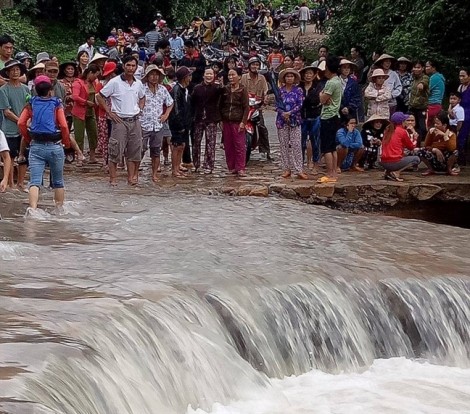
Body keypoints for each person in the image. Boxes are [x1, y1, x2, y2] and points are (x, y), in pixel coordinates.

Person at [17, 76, 71, 210]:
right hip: (55, 146)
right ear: (50, 90)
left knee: (34, 181)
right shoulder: (56, 103)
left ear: (35, 89)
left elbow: (21, 123)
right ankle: (59, 211)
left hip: (36, 146)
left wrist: (28, 138)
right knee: (58, 182)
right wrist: (66, 142)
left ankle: (33, 210)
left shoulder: (31, 103)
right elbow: (64, 126)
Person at [96, 55, 146, 186]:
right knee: (115, 150)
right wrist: (109, 111)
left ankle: (131, 178)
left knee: (134, 151)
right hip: (119, 120)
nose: (130, 68)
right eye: (128, 65)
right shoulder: (115, 82)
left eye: (133, 66)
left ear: (136, 67)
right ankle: (113, 179)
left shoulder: (138, 83)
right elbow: (99, 96)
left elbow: (142, 97)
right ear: (123, 66)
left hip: (134, 120)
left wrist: (140, 108)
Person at [141, 64, 174, 182]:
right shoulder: (141, 89)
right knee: (140, 149)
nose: (154, 77)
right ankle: (134, 173)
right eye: (152, 74)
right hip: (143, 124)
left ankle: (154, 174)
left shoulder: (163, 89)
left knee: (156, 151)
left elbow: (170, 103)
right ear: (147, 76)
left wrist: (166, 115)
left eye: (156, 75)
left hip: (158, 124)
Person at [0, 60, 30, 190]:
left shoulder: (26, 88)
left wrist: (26, 122)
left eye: (17, 69)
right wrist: (20, 121)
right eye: (12, 70)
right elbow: (6, 111)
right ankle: (11, 183)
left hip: (24, 127)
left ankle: (21, 183)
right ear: (7, 73)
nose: (15, 72)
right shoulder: (3, 90)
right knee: (10, 157)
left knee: (23, 156)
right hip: (10, 129)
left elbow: (29, 107)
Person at [276, 68, 307, 179]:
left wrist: (290, 112)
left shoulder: (298, 90)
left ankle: (299, 169)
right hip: (282, 121)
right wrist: (283, 113)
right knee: (283, 145)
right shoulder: (280, 91)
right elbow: (277, 105)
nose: (289, 78)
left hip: (295, 120)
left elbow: (300, 104)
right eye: (287, 76)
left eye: (291, 76)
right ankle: (286, 169)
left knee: (296, 145)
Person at [191, 68, 222, 173]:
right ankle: (196, 164)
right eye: (207, 74)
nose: (209, 76)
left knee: (211, 143)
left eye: (211, 74)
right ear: (203, 75)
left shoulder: (217, 88)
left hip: (212, 119)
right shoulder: (197, 88)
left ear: (214, 76)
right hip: (198, 118)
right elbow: (192, 102)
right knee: (196, 143)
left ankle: (209, 165)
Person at [317, 55, 342, 184]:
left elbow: (322, 99)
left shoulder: (331, 82)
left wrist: (321, 94)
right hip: (335, 115)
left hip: (328, 116)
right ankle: (334, 172)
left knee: (327, 147)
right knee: (332, 146)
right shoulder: (339, 80)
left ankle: (330, 173)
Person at [220, 67, 249, 176]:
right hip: (226, 120)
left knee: (240, 145)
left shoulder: (242, 89)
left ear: (239, 77)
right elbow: (221, 105)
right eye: (229, 75)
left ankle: (240, 167)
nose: (231, 77)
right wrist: (221, 120)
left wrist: (243, 122)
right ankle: (231, 167)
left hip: (237, 120)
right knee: (228, 145)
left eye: (233, 75)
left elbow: (246, 107)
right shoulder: (225, 89)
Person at [240, 56, 271, 160]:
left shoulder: (262, 78)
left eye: (257, 64)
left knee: (262, 127)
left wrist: (266, 98)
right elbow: (239, 88)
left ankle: (265, 151)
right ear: (249, 66)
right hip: (244, 107)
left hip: (257, 107)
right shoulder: (244, 77)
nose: (255, 67)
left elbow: (266, 91)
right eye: (253, 64)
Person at [72, 64, 100, 164]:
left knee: (93, 134)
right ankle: (79, 156)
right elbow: (75, 96)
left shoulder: (94, 83)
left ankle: (92, 155)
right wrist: (85, 102)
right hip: (79, 112)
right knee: (79, 135)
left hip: (91, 112)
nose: (96, 77)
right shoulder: (78, 83)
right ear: (90, 73)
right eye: (95, 75)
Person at [379, 112, 420, 181]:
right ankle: (396, 172)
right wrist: (415, 138)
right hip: (394, 162)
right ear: (402, 122)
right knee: (416, 159)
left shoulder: (387, 130)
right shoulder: (402, 131)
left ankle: (388, 172)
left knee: (400, 154)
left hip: (383, 162)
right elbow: (411, 147)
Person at [168, 66, 192, 178]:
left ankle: (177, 168)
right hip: (177, 124)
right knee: (176, 146)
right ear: (184, 78)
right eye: (189, 76)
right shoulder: (177, 90)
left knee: (181, 146)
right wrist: (180, 124)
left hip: (184, 122)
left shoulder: (184, 89)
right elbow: (176, 109)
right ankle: (175, 169)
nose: (190, 78)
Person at [419, 111, 459, 176]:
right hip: (434, 157)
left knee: (455, 151)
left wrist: (445, 136)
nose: (435, 125)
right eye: (435, 123)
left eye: (437, 124)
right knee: (420, 151)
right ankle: (430, 169)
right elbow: (426, 145)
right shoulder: (432, 132)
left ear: (444, 125)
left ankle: (449, 169)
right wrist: (434, 149)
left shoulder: (451, 134)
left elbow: (452, 148)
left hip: (445, 159)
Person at [299, 65, 322, 173]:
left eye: (310, 73)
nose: (308, 75)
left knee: (315, 141)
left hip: (315, 116)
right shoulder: (299, 87)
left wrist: (305, 100)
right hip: (302, 117)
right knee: (301, 142)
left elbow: (316, 101)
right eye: (306, 73)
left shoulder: (318, 86)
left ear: (314, 75)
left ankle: (316, 163)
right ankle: (301, 164)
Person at [95, 61, 117, 171]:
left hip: (118, 116)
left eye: (113, 73)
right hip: (104, 115)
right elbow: (98, 101)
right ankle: (107, 162)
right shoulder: (101, 85)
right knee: (106, 139)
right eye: (110, 73)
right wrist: (108, 109)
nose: (111, 75)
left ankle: (117, 161)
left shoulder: (120, 84)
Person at [408, 60, 429, 145]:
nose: (416, 69)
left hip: (422, 107)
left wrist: (422, 85)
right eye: (415, 67)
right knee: (412, 127)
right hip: (412, 107)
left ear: (422, 68)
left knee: (422, 127)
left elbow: (424, 82)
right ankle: (414, 143)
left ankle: (422, 144)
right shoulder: (413, 78)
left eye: (418, 67)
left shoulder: (425, 77)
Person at [58, 60, 79, 132]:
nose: (70, 71)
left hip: (78, 109)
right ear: (64, 71)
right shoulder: (60, 82)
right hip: (66, 110)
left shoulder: (78, 81)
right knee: (66, 130)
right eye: (68, 69)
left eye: (72, 69)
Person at [426, 60, 446, 129]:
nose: (426, 68)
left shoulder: (434, 77)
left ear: (433, 68)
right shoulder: (439, 77)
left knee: (429, 127)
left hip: (432, 105)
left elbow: (426, 91)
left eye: (427, 66)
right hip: (437, 105)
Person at [457, 68, 470, 165]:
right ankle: (462, 159)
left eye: (463, 76)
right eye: (460, 76)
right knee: (461, 137)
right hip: (462, 115)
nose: (461, 78)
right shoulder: (460, 87)